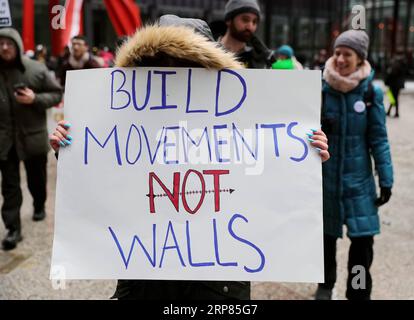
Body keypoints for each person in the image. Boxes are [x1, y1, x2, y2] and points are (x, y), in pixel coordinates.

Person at [49, 15, 330, 300]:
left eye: (186, 64)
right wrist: (73, 153)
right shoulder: (124, 117)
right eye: (165, 61)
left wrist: (304, 155)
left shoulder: (236, 117)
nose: (175, 72)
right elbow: (102, 182)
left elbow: (268, 183)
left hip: (218, 275)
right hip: (145, 269)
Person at [317, 30, 394, 300]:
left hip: (359, 181)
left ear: (360, 58)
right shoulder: (320, 89)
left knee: (362, 244)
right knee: (324, 240)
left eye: (346, 54)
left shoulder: (371, 92)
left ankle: (358, 292)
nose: (339, 59)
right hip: (325, 180)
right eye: (337, 53)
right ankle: (325, 286)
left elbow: (379, 139)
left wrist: (386, 179)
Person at [0, 28, 63, 250]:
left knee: (37, 179)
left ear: (17, 45)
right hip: (5, 141)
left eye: (9, 43)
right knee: (9, 186)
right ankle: (13, 229)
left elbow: (57, 93)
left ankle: (39, 204)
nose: (4, 47)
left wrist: (35, 98)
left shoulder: (36, 69)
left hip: (32, 137)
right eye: (1, 43)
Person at [219, 0, 275, 69]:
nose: (250, 26)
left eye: (254, 22)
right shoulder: (207, 52)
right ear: (229, 20)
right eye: (245, 19)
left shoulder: (262, 59)